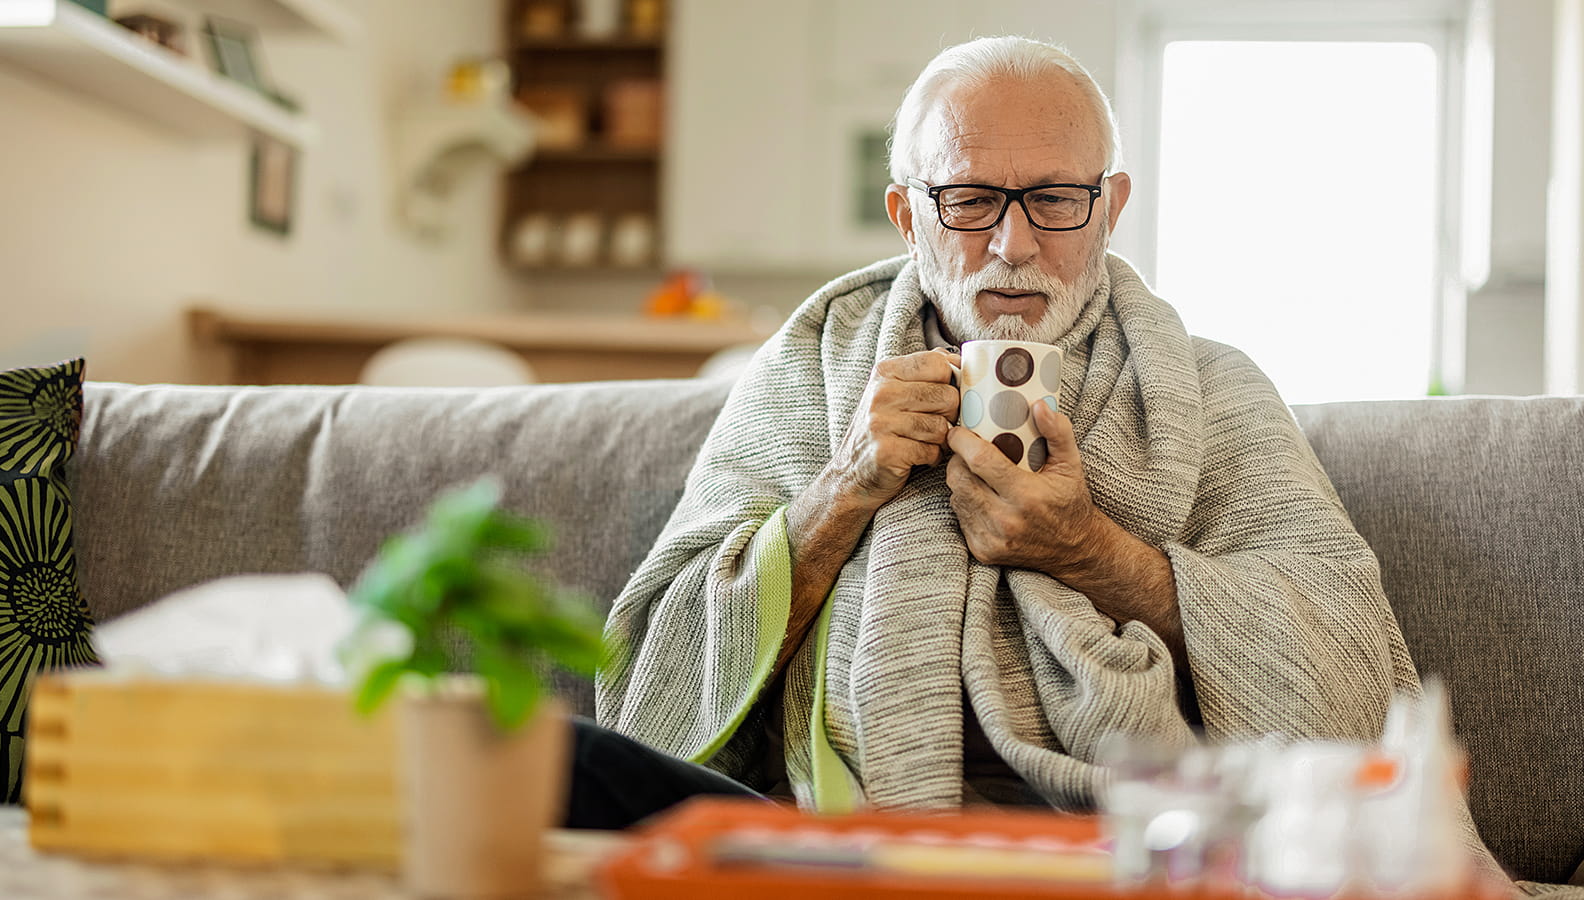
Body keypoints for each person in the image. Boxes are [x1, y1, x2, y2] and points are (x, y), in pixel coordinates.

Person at [581, 33, 1424, 832]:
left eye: (1054, 199)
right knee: (573, 760)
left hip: (1128, 827)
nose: (1013, 244)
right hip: (833, 821)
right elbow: (652, 678)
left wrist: (1088, 551)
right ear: (907, 216)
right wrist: (844, 488)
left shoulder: (1212, 387)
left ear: (1109, 208)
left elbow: (1341, 656)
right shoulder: (812, 367)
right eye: (971, 200)